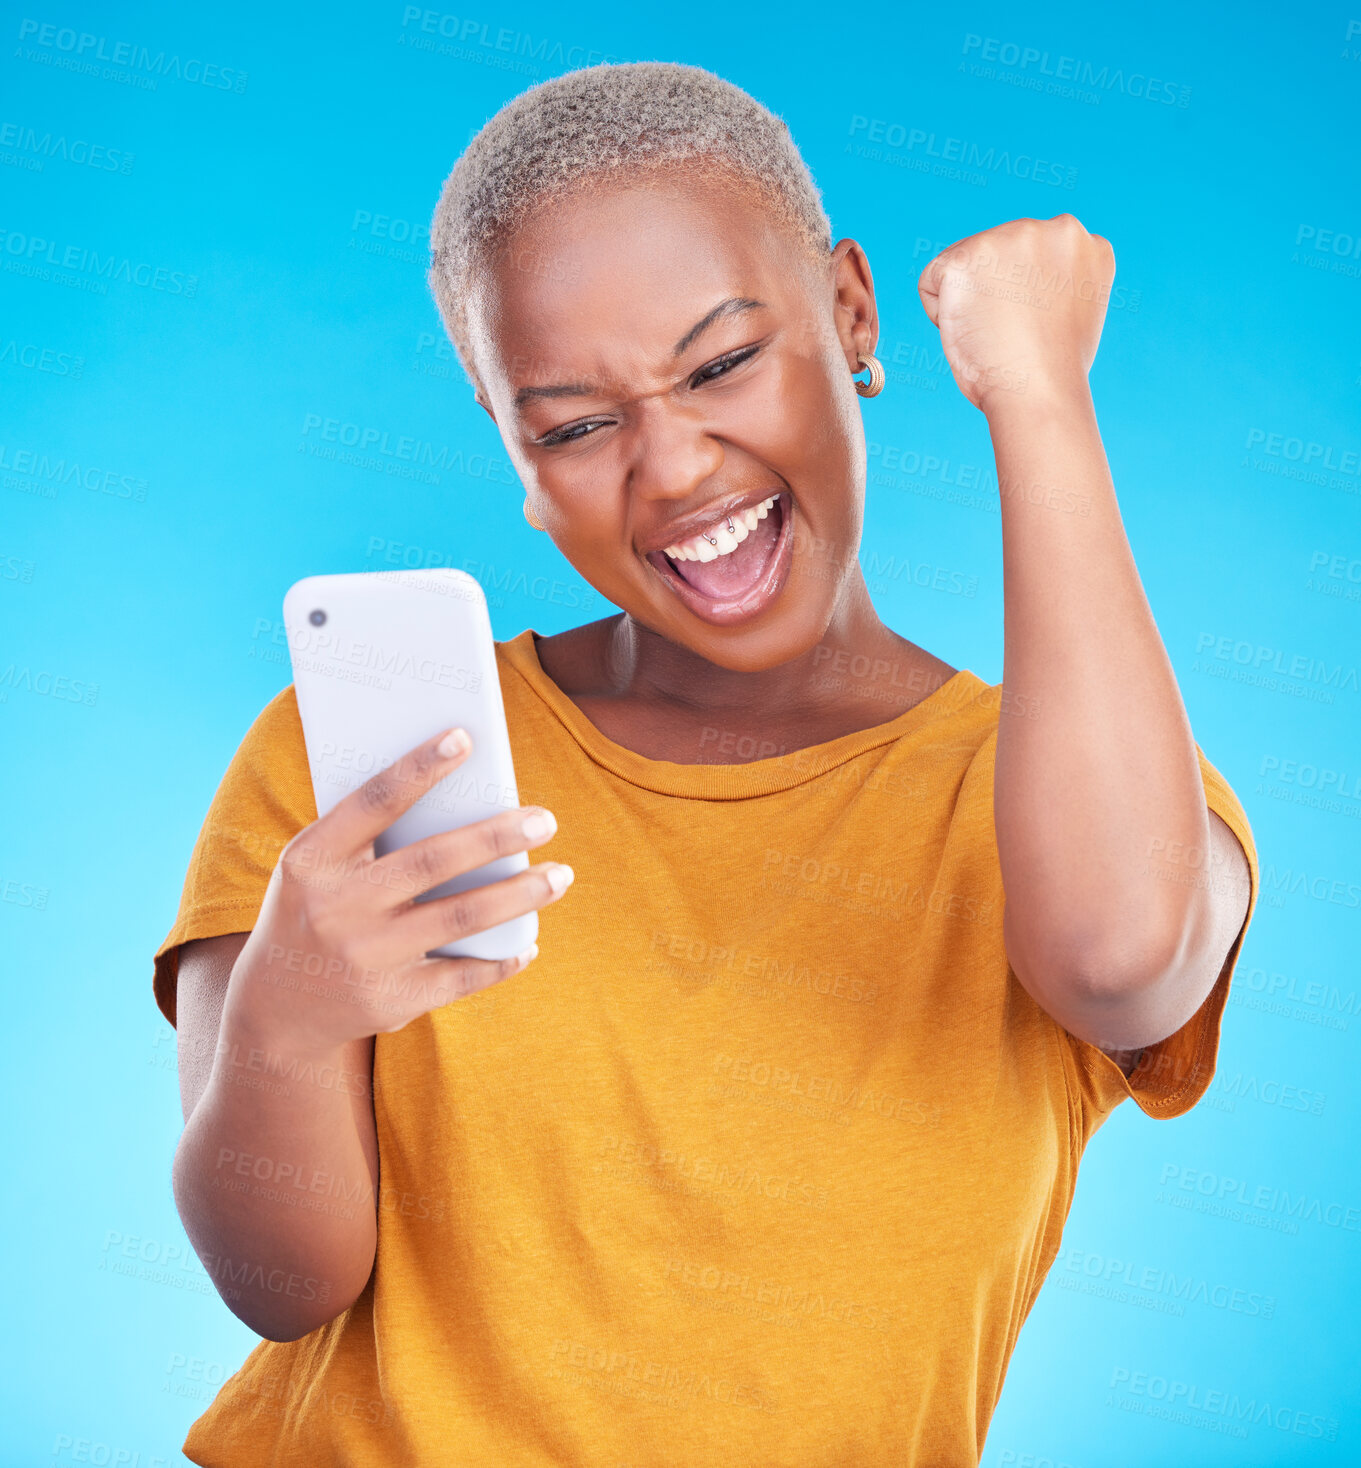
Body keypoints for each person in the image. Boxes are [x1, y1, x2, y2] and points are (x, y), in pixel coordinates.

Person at [153, 60, 1258, 1467]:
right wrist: (286, 1025)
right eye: (571, 424)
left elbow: (1115, 959)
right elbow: (281, 1289)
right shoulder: (352, 766)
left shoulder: (1066, 795)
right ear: (516, 456)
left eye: (722, 363)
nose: (671, 469)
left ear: (850, 314)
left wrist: (1035, 392)